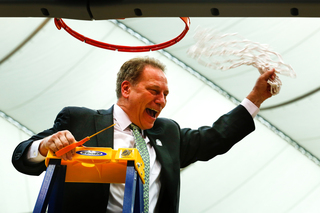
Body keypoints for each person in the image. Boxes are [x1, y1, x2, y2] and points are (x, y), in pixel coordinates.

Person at [12, 56, 275, 213]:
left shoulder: (168, 132)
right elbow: (21, 155)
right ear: (127, 88)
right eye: (154, 91)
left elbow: (214, 138)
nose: (162, 101)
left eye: (165, 95)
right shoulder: (80, 120)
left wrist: (256, 98)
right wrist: (45, 146)